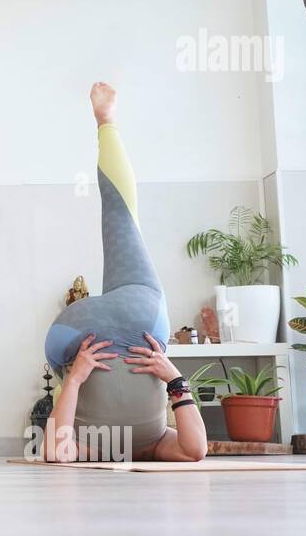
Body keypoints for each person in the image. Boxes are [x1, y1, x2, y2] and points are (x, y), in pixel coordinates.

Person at [41, 83, 206, 462]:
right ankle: (106, 121)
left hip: (126, 320)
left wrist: (77, 376)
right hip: (87, 330)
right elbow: (195, 450)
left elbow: (53, 451)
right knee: (120, 215)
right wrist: (172, 379)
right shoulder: (158, 443)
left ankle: (106, 121)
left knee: (121, 215)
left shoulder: (102, 449)